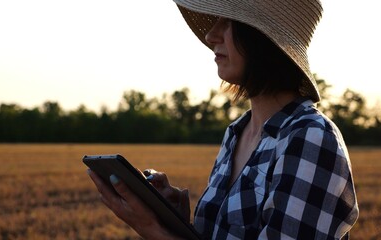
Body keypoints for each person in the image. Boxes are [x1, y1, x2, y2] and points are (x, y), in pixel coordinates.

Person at [87, 0, 359, 239]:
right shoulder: (237, 133)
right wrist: (178, 223)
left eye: (228, 21)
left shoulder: (311, 138)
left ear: (263, 38)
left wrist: (152, 230)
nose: (210, 34)